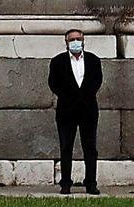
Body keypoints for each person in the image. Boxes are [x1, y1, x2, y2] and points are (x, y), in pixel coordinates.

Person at [49, 28, 102, 195]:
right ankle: (65, 183)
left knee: (90, 148)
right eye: (72, 39)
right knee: (66, 147)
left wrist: (84, 96)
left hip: (88, 110)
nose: (75, 42)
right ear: (66, 43)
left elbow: (97, 81)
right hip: (67, 111)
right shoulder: (57, 62)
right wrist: (69, 97)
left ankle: (91, 183)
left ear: (83, 40)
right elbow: (53, 84)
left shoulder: (94, 60)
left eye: (78, 39)